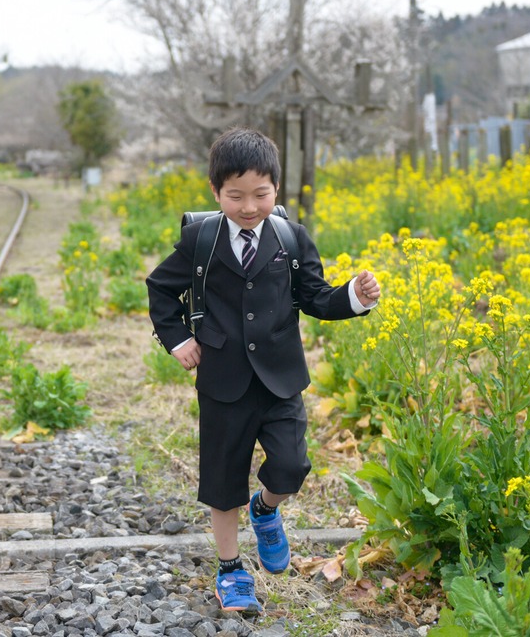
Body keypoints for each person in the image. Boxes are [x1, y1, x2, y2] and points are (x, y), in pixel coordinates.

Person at [146, 127, 381, 614]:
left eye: (261, 194)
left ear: (277, 189)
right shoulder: (202, 239)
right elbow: (160, 289)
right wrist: (177, 340)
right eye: (235, 196)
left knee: (292, 466)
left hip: (280, 379)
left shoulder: (291, 238)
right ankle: (232, 570)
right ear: (216, 193)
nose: (249, 206)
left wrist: (354, 297)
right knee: (223, 478)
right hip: (221, 380)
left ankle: (267, 509)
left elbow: (314, 298)